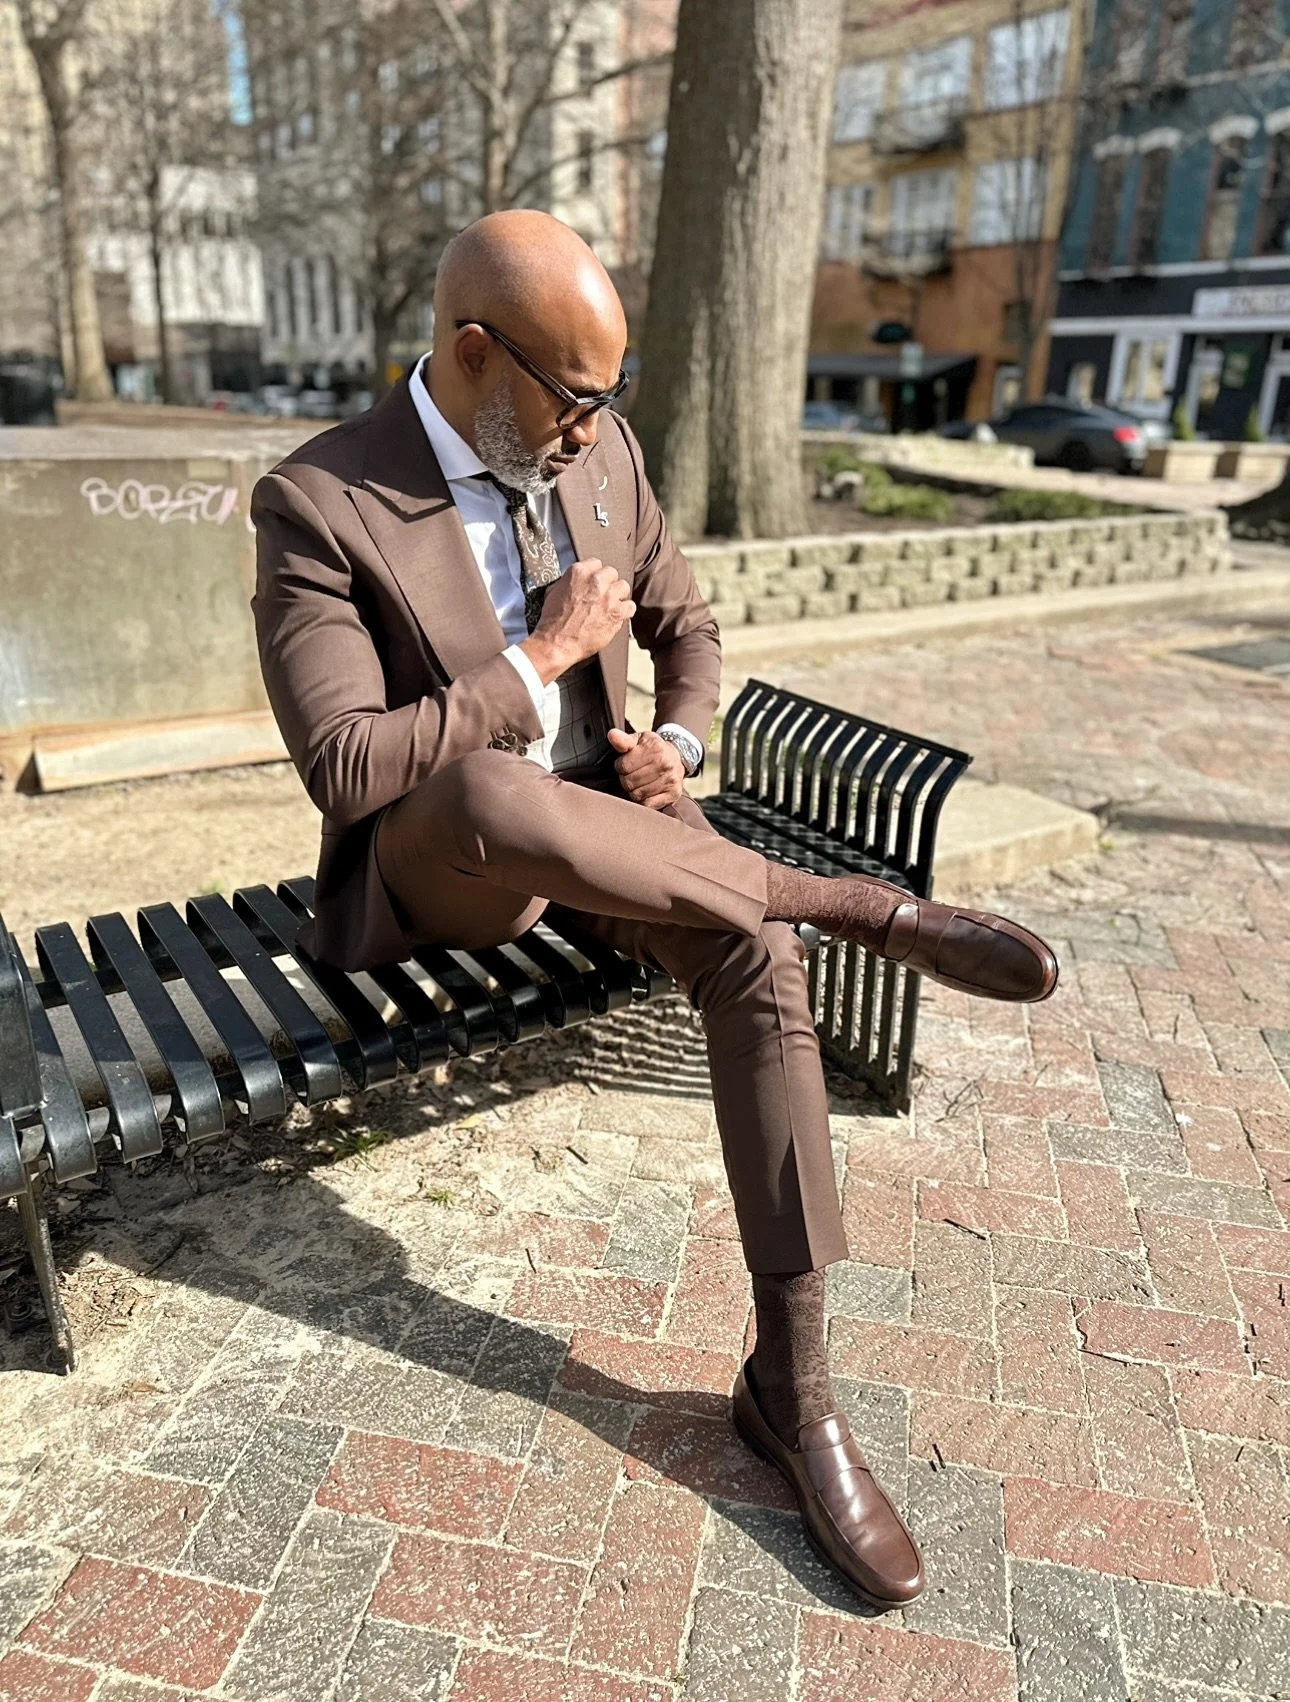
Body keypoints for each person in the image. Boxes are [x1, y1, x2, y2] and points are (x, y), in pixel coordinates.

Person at [251, 210, 1057, 1609]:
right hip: (453, 871)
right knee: (485, 785)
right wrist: (538, 659)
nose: (591, 430)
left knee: (758, 958)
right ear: (473, 352)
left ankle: (792, 1391)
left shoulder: (603, 452)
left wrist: (674, 745)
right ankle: (858, 905)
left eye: (607, 395)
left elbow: (688, 628)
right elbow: (348, 765)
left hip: (623, 835)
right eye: (571, 397)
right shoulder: (321, 502)